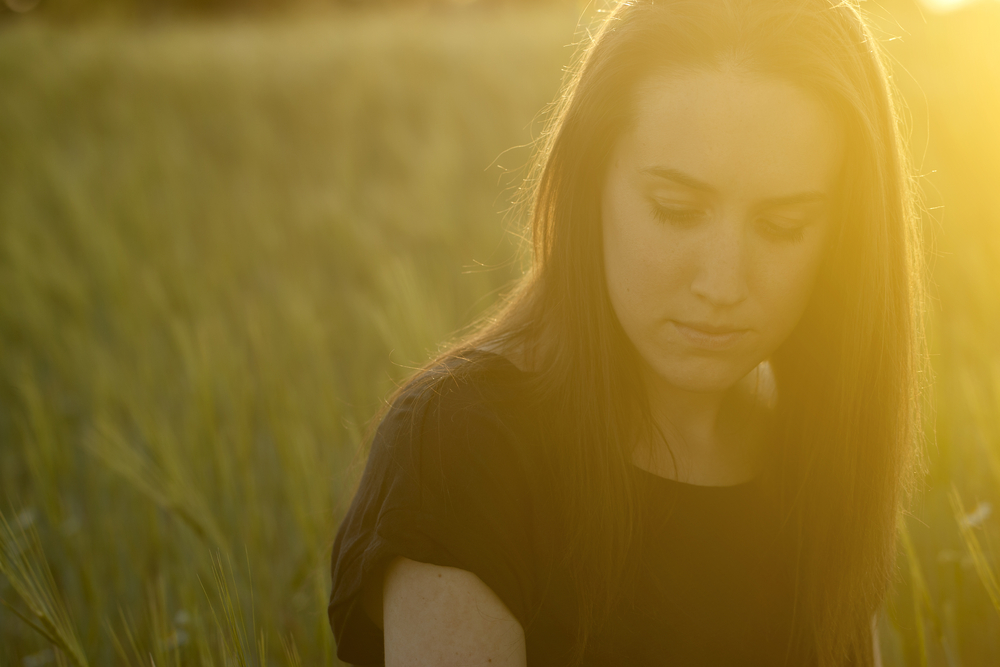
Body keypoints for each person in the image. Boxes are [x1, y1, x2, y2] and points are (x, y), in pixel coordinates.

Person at [328, 0, 925, 665]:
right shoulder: (460, 449)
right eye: (676, 209)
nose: (723, 283)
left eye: (783, 225)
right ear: (590, 184)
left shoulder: (817, 439)